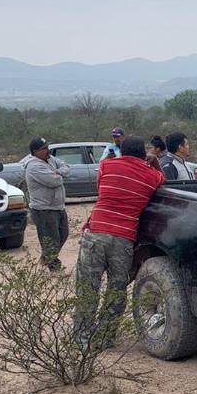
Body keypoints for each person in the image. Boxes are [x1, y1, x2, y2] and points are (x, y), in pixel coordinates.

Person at [73, 137, 164, 345]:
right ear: (144, 154)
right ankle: (105, 337)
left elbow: (101, 190)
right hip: (124, 239)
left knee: (88, 287)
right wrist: (155, 163)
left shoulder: (107, 165)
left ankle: (81, 337)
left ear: (122, 151)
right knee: (117, 290)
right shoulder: (151, 175)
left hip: (96, 233)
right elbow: (162, 180)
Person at [21, 137, 71, 270]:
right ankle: (54, 268)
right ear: (35, 151)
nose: (47, 150)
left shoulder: (51, 159)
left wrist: (58, 171)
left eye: (47, 147)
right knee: (50, 239)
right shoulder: (34, 166)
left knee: (63, 234)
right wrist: (59, 174)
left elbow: (67, 168)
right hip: (44, 209)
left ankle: (46, 258)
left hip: (58, 206)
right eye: (43, 149)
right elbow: (54, 181)